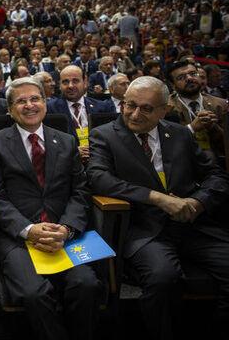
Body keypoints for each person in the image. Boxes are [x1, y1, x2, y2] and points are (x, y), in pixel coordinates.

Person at [87, 76, 229, 339]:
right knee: (163, 278)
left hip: (192, 223)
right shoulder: (104, 135)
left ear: (165, 110)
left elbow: (216, 176)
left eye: (146, 108)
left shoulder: (178, 134)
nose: (135, 113)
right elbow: (100, 179)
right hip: (146, 229)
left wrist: (199, 202)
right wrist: (158, 198)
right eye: (130, 105)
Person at [0, 77, 100, 340]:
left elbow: (80, 191)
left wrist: (67, 229)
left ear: (45, 103)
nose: (30, 105)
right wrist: (29, 229)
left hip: (63, 234)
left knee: (86, 284)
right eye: (21, 101)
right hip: (18, 238)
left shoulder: (67, 141)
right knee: (35, 293)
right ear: (10, 110)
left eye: (35, 98)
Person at [47, 65, 116, 162]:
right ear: (60, 85)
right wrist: (73, 152)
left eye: (75, 81)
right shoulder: (49, 109)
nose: (70, 86)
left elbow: (112, 139)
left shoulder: (103, 107)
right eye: (65, 82)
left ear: (85, 82)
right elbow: (49, 143)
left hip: (100, 161)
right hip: (67, 165)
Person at [166, 61, 228, 159]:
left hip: (217, 164)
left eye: (193, 74)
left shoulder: (221, 104)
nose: (189, 78)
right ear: (172, 85)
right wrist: (191, 128)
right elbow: (165, 143)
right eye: (181, 77)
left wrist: (213, 127)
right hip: (182, 163)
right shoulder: (166, 108)